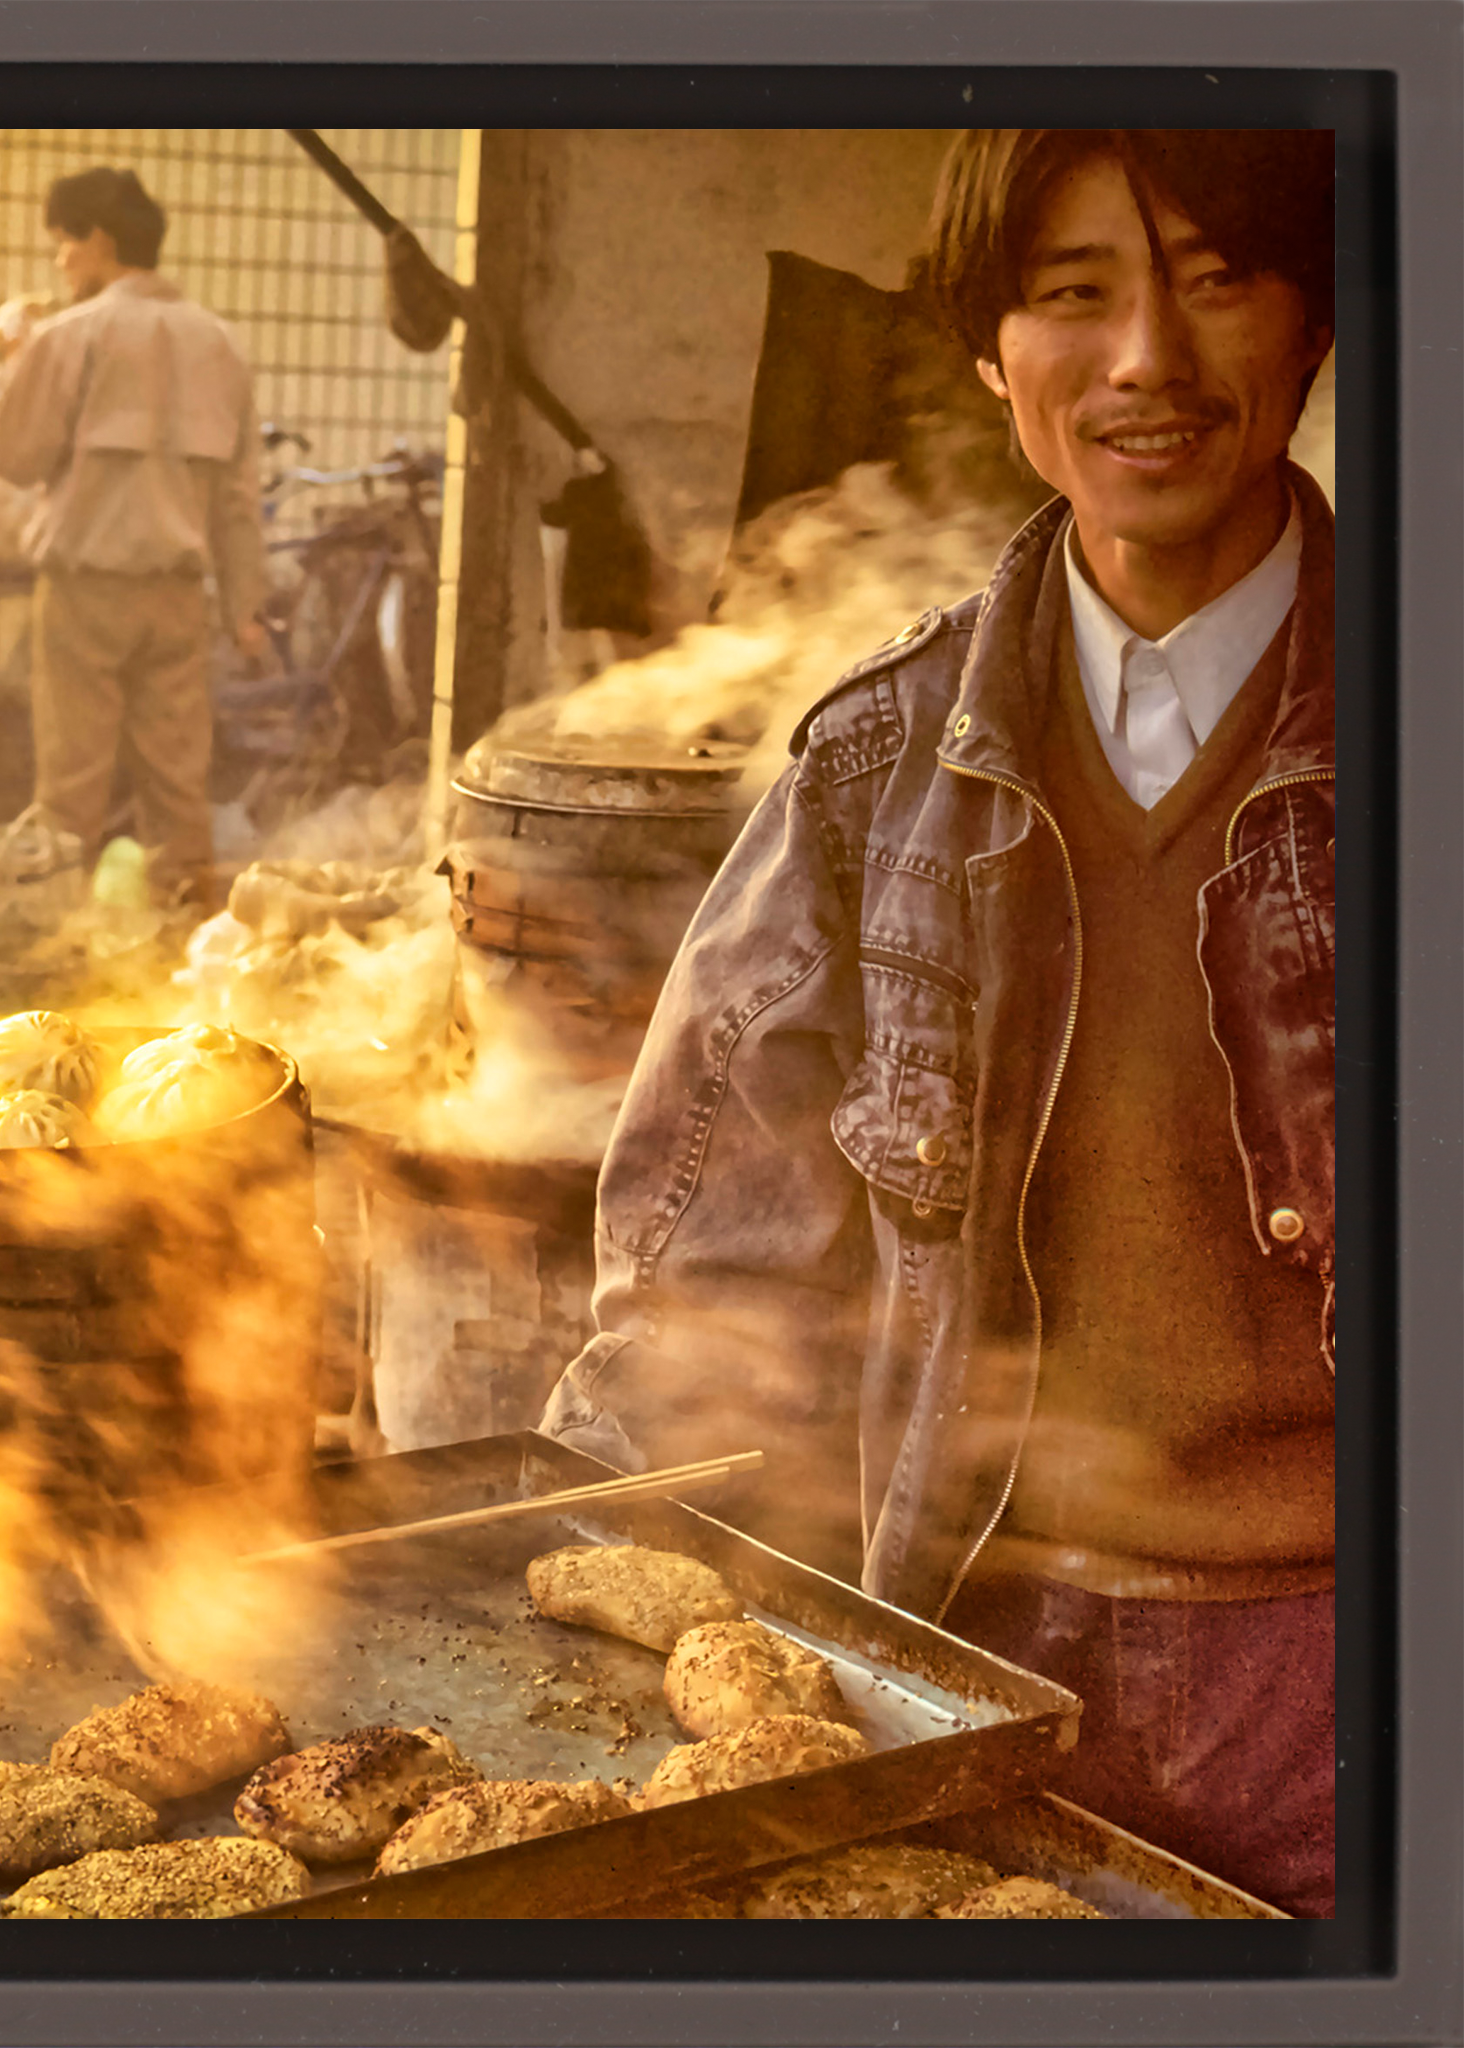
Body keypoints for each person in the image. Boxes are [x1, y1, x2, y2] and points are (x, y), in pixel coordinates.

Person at [537, 128, 1338, 1917]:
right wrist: (595, 1581)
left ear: (1313, 321)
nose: (1145, 358)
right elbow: (708, 1279)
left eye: (1216, 280)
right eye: (1074, 295)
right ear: (992, 353)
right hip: (954, 1651)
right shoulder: (872, 765)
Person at [0, 166, 269, 909]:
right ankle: (185, 943)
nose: (60, 262)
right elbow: (239, 496)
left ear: (100, 241)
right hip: (179, 598)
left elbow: (13, 456)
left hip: (84, 592)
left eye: (64, 244)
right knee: (178, 792)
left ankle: (56, 946)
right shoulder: (221, 344)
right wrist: (245, 608)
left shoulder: (71, 335)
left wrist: (12, 359)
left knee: (69, 789)